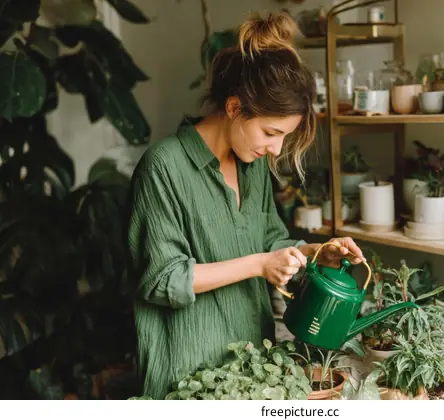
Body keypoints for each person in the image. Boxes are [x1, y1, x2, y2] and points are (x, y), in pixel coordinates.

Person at [126, 11, 366, 400]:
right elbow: (162, 280)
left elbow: (269, 241)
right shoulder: (164, 166)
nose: (276, 148)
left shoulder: (252, 165)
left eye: (284, 137)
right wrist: (258, 264)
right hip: (188, 378)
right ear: (235, 108)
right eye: (271, 132)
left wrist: (311, 253)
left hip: (254, 367)